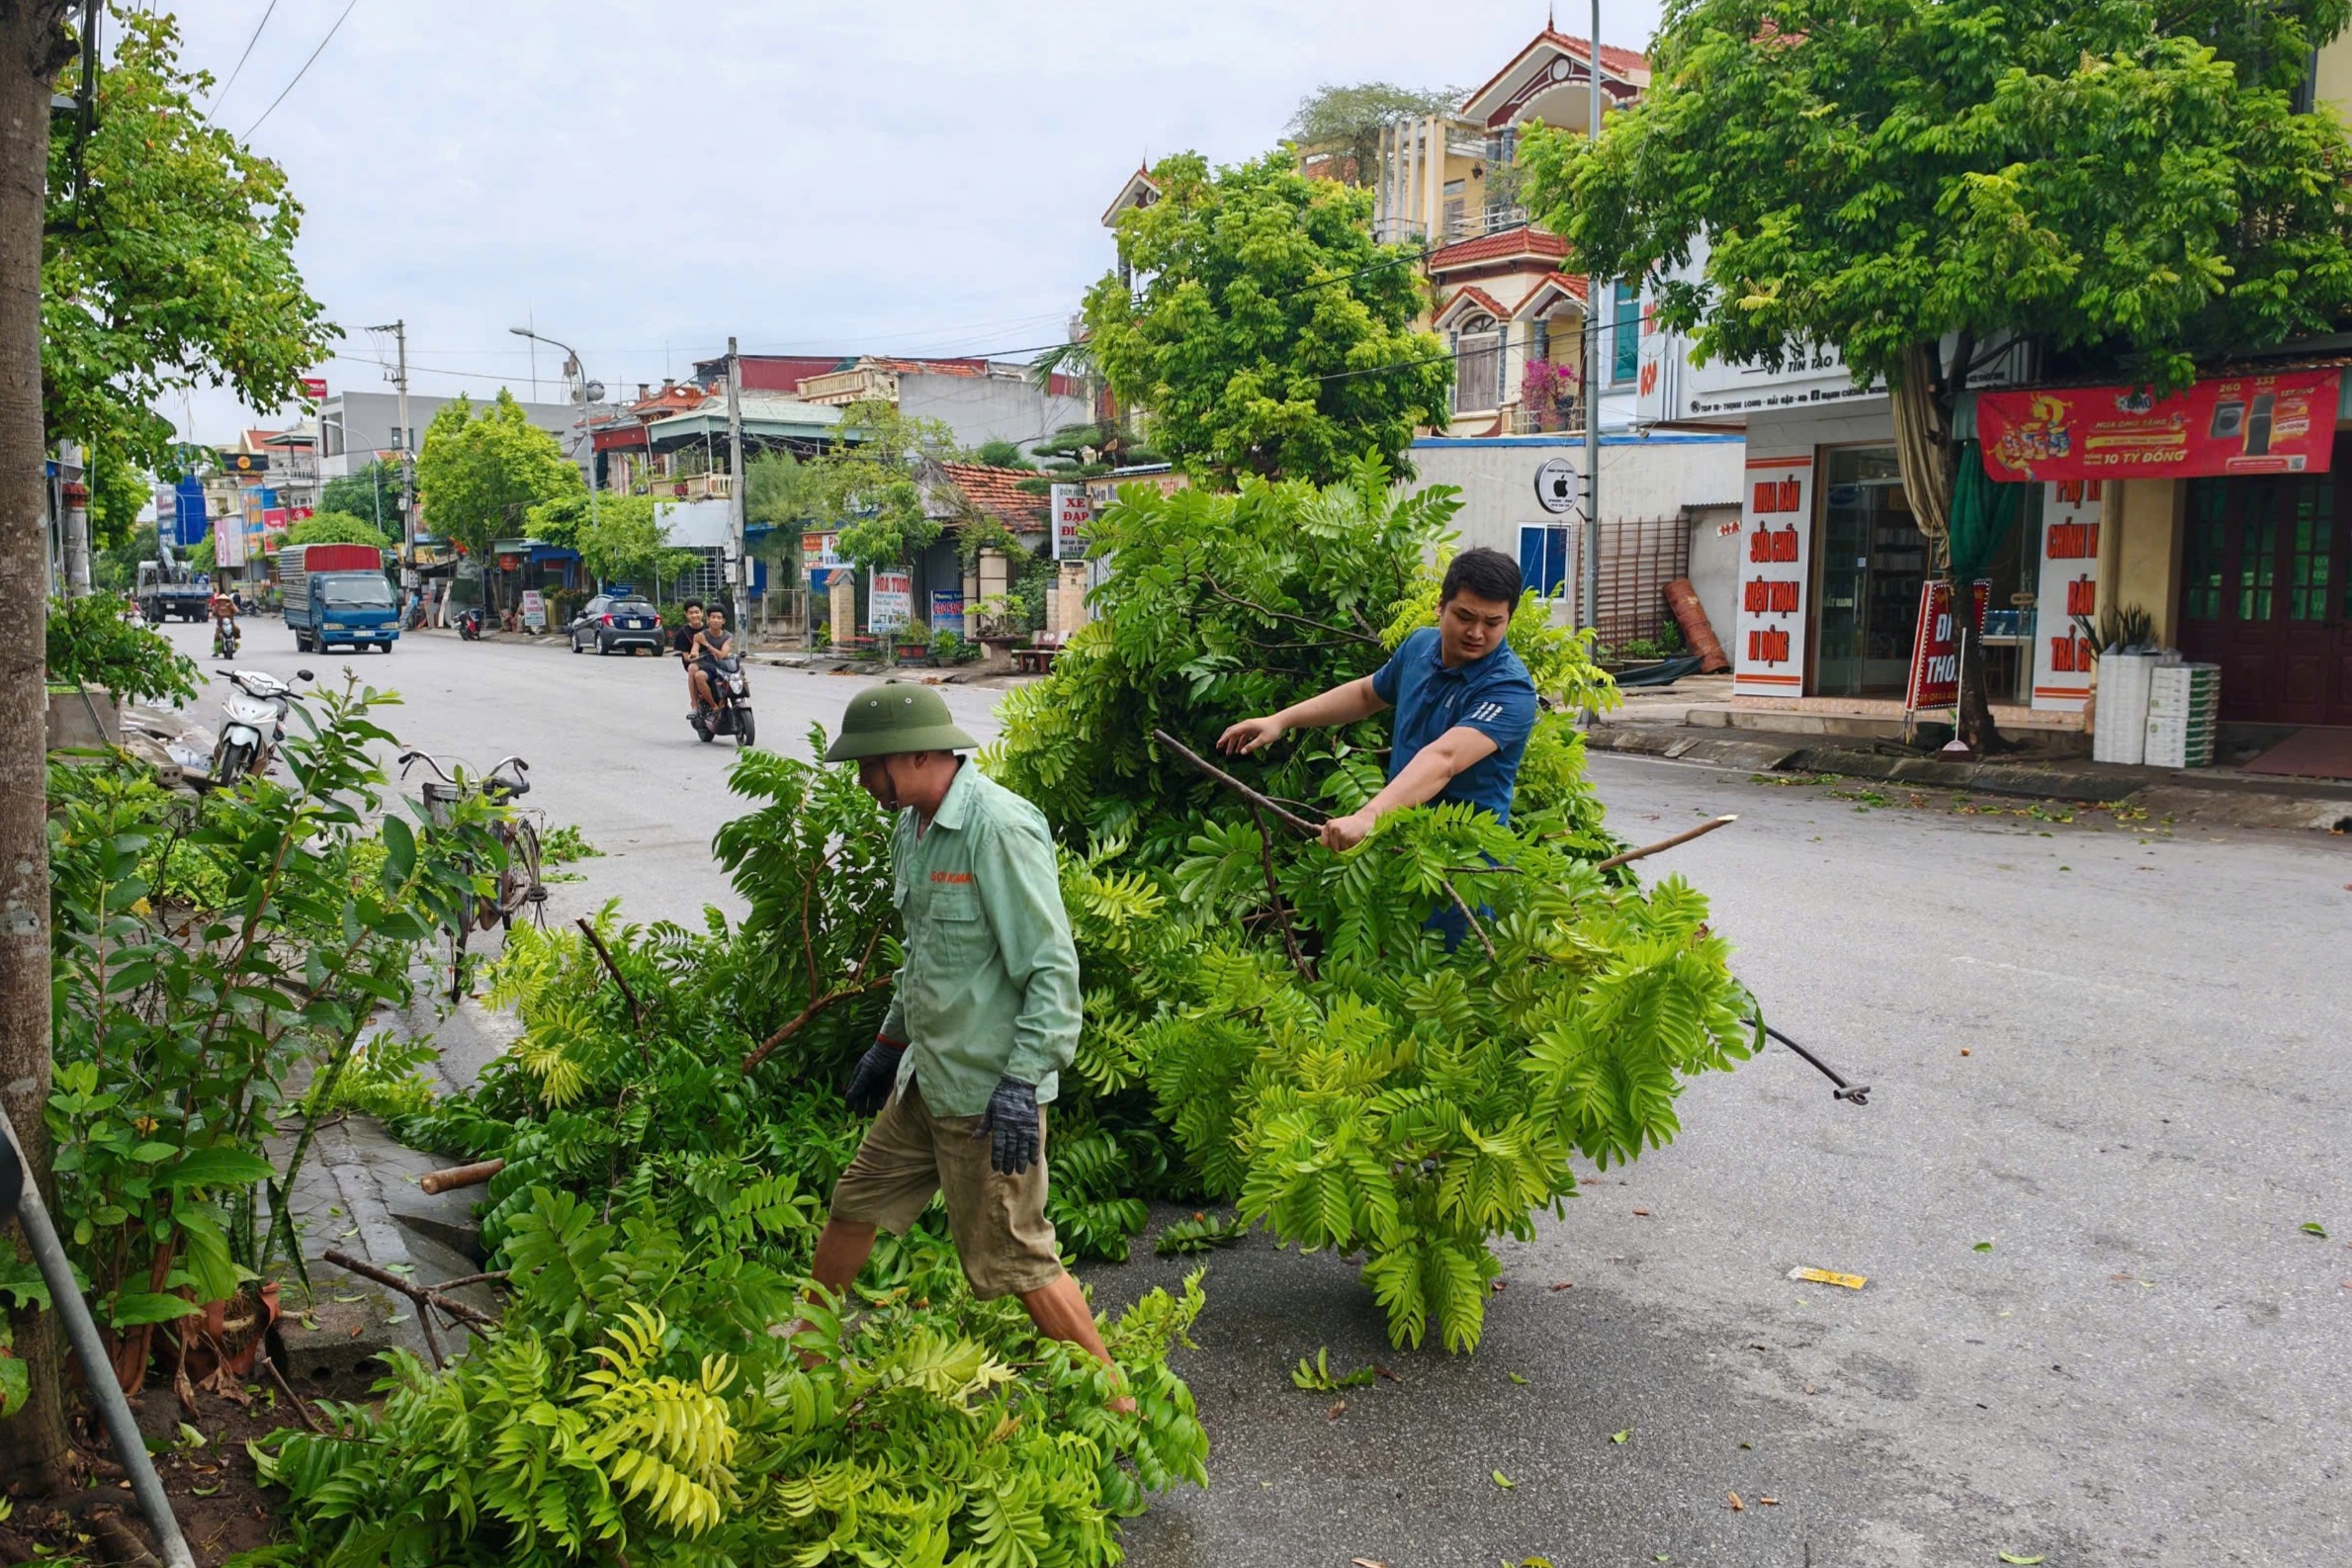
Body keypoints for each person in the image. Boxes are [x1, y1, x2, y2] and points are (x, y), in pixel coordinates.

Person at [777, 682, 1128, 1408]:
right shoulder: (912, 825)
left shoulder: (997, 829)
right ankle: (808, 1364)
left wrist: (1021, 1082)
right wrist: (886, 1042)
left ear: (913, 753)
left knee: (1016, 1259)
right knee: (854, 1203)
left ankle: (1117, 1402)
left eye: (868, 766)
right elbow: (927, 956)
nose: (862, 781)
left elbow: (1051, 967)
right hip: (925, 1078)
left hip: (987, 1092)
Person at [1217, 548, 1536, 937]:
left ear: (1509, 620)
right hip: (1397, 843)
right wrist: (1281, 720)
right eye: (1464, 616)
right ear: (1441, 606)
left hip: (1463, 867)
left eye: (1493, 622)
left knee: (1447, 981)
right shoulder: (1419, 647)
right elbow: (1369, 694)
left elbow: (1445, 758)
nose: (1476, 633)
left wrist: (1368, 817)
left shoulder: (1510, 689)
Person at [689, 606, 736, 714]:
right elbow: (694, 650)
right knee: (698, 675)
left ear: (723, 621)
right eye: (713, 617)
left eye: (719, 618)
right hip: (707, 668)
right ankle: (713, 706)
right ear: (708, 620)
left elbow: (722, 655)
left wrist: (706, 644)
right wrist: (694, 653)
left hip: (723, 668)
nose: (716, 620)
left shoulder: (728, 636)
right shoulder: (700, 635)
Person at [671, 600, 706, 716]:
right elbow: (686, 657)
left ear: (702, 613)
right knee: (692, 669)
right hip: (694, 663)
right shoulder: (683, 633)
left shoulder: (709, 628)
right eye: (691, 613)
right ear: (686, 614)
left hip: (713, 661)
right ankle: (694, 704)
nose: (694, 615)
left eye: (697, 612)